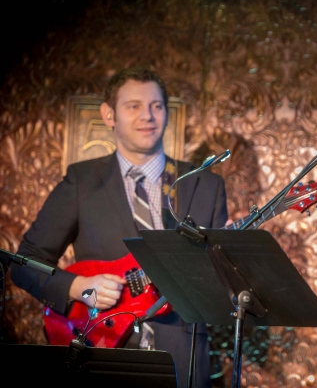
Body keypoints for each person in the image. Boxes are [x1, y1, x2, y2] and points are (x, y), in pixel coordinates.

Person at [10, 67, 228, 388]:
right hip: (100, 353)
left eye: (156, 106)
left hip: (183, 359)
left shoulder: (204, 184)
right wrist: (78, 288)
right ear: (109, 115)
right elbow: (24, 265)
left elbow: (220, 279)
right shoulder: (81, 181)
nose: (148, 116)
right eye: (134, 106)